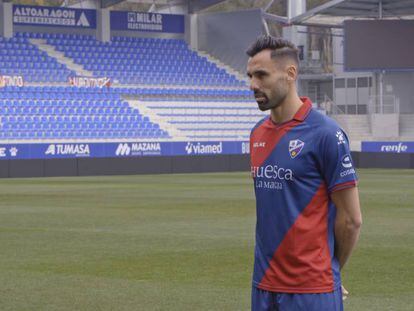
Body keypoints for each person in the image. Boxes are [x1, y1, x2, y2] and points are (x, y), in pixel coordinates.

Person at [246, 35, 362, 311]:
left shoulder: (326, 134)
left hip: (311, 291)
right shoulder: (257, 134)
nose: (253, 85)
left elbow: (351, 220)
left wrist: (331, 272)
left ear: (290, 74)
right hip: (263, 285)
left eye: (261, 75)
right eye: (250, 75)